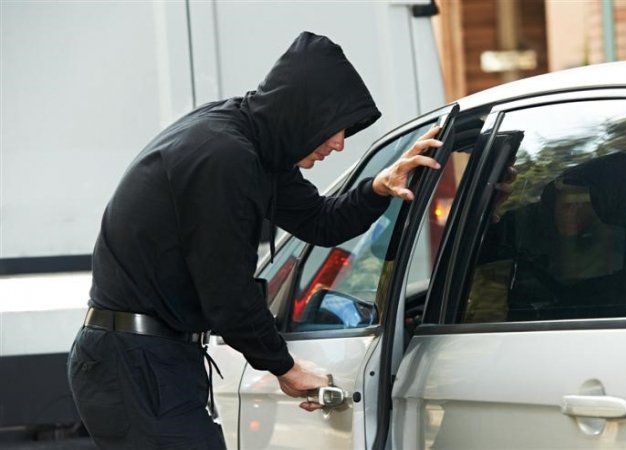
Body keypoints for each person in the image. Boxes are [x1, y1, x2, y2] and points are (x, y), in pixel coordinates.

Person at [67, 32, 443, 449]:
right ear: (302, 113)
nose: (339, 144)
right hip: (136, 362)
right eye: (335, 127)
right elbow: (227, 292)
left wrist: (377, 187)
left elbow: (321, 222)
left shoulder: (257, 148)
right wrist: (284, 366)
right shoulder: (224, 156)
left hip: (152, 359)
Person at [466, 151, 626, 322]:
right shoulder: (523, 228)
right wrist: (486, 214)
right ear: (553, 199)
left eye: (582, 202)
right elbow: (465, 254)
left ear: (604, 208)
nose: (571, 212)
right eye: (566, 201)